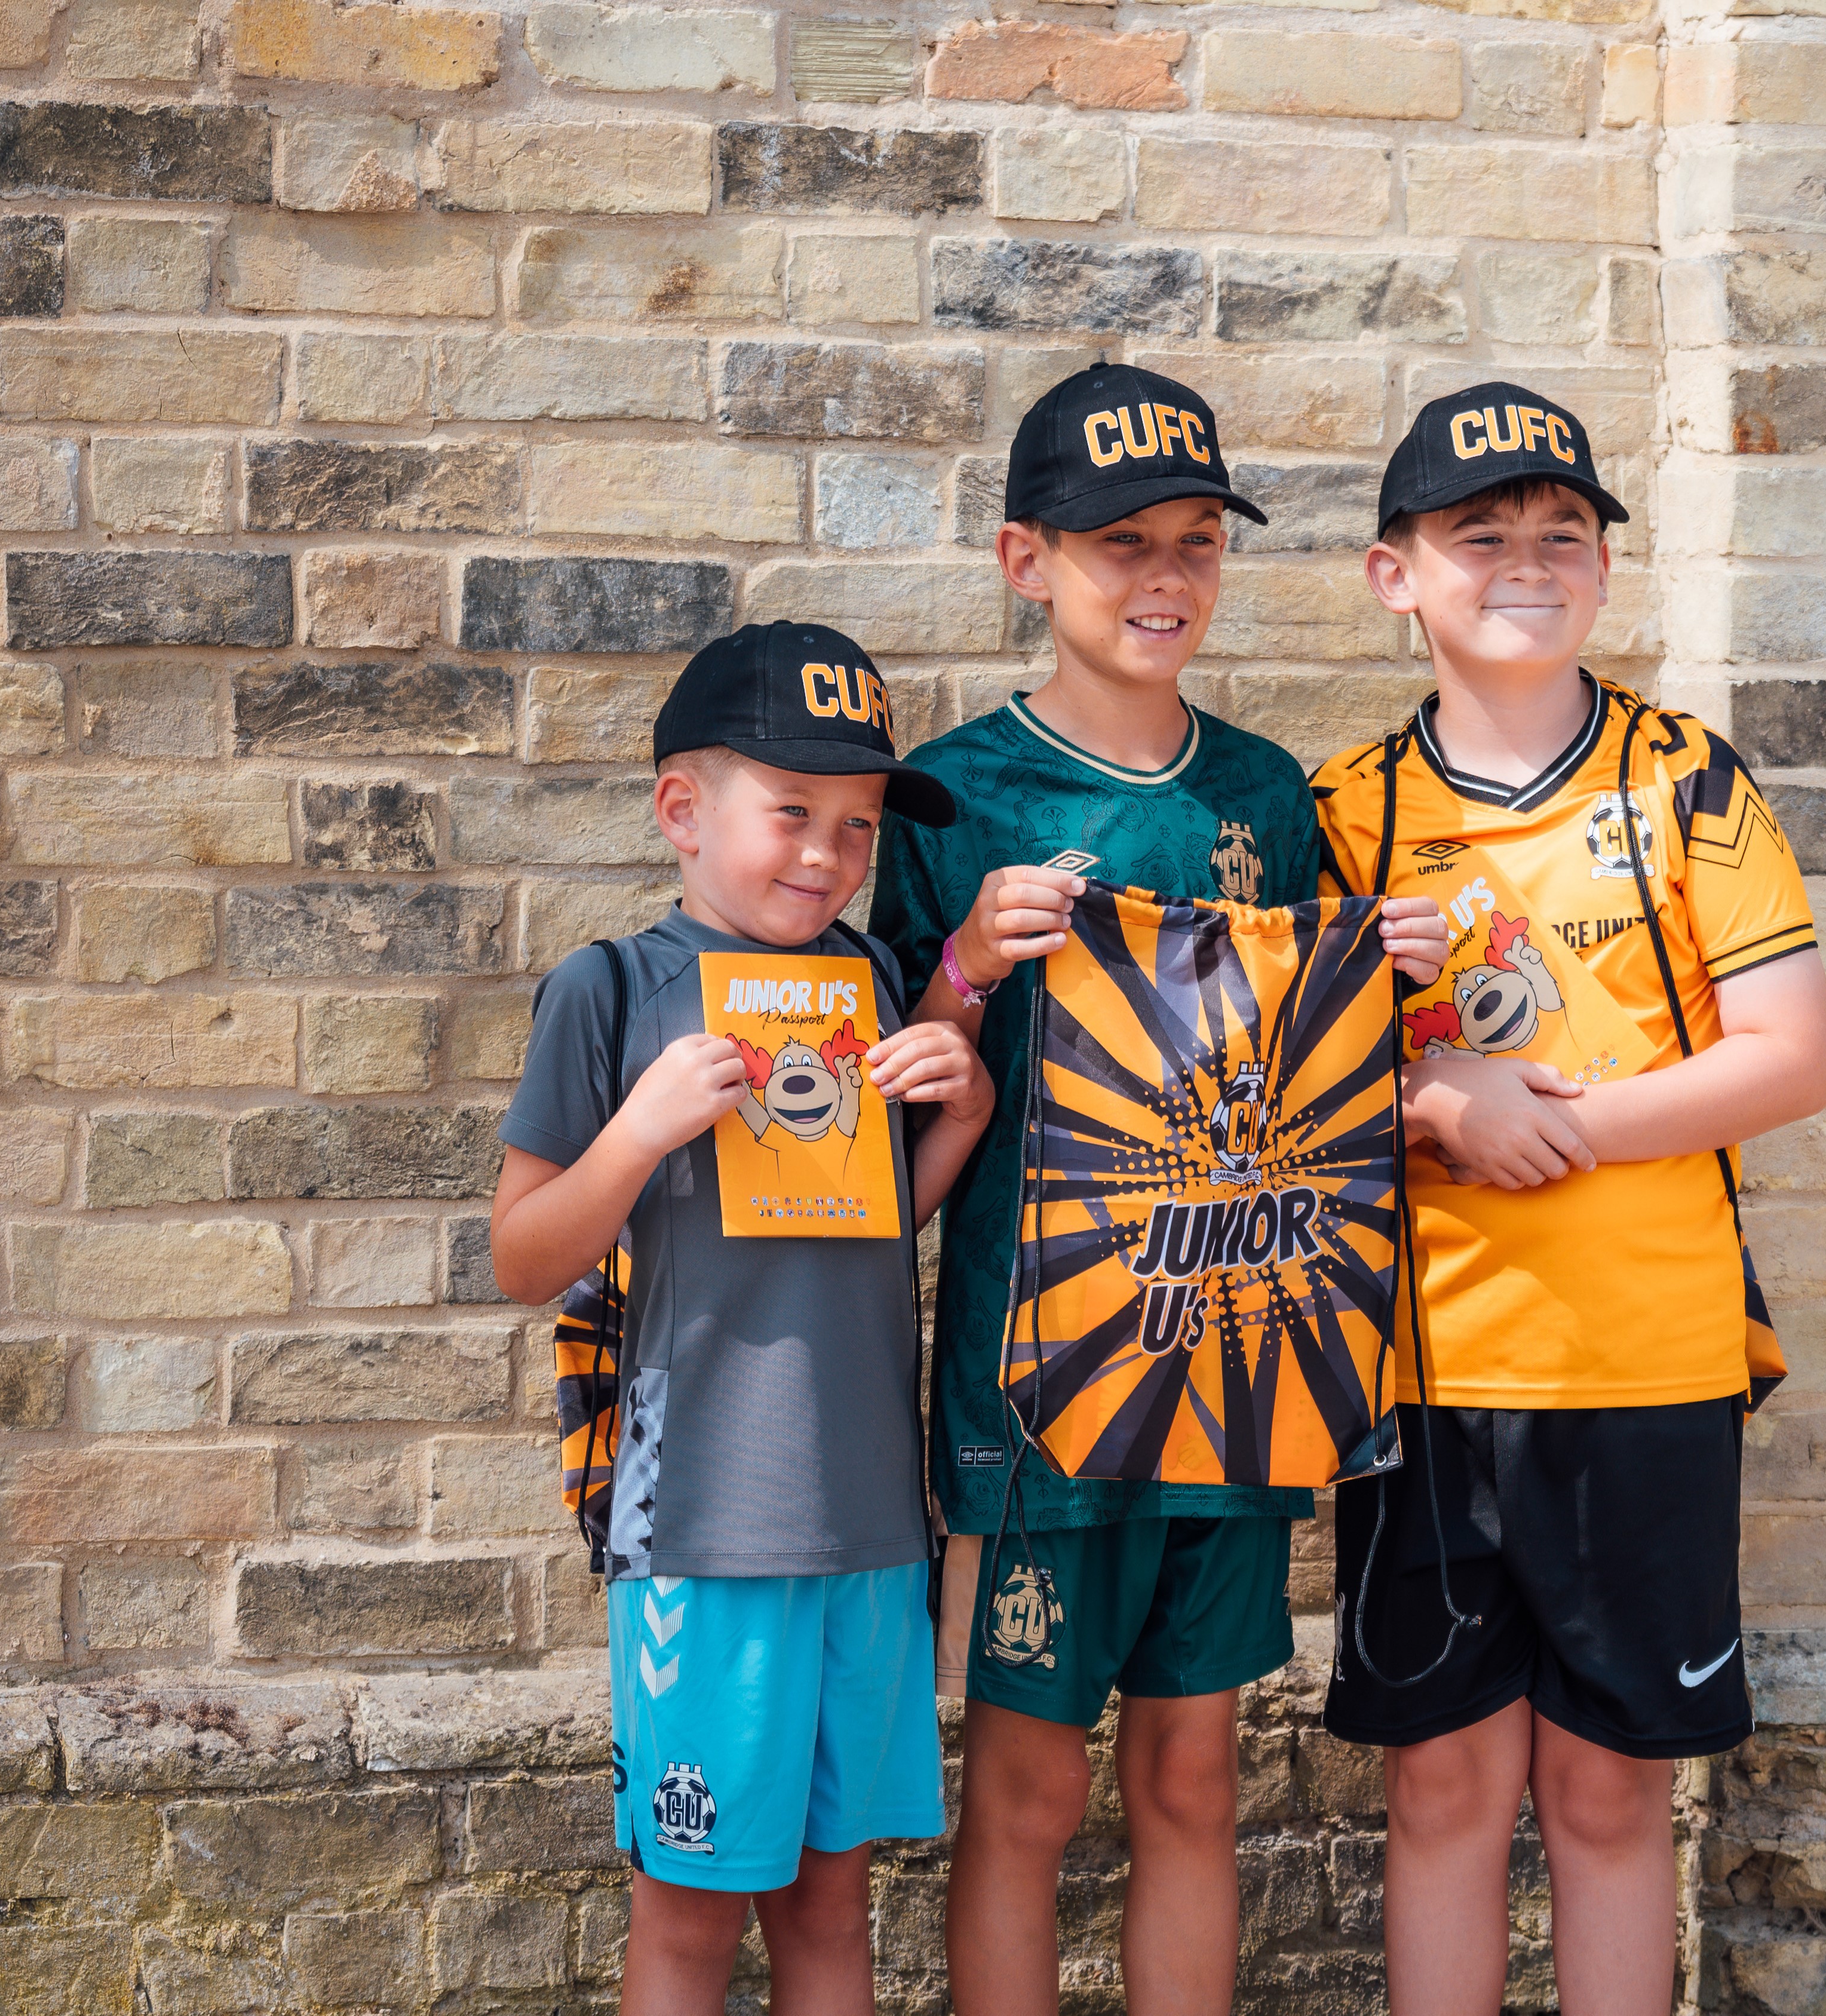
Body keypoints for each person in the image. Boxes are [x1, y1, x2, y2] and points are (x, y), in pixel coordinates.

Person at [867, 362, 1441, 2016]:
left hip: (1237, 1362)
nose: (1168, 576)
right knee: (1029, 1799)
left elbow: (1323, 1071)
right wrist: (968, 962)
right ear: (1023, 559)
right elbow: (880, 1117)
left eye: (1198, 539)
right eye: (1123, 545)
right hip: (1038, 1387)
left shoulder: (1267, 797)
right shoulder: (950, 798)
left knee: (1196, 1783)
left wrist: (1391, 977)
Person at [1308, 382, 1826, 2016]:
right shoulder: (1342, 817)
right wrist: (1431, 1097)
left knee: (1611, 1800)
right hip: (1430, 1383)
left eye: (1565, 535)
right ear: (1398, 574)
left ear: (1606, 568)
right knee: (1445, 1797)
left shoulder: (1686, 781)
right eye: (1481, 536)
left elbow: (1790, 1057)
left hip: (1647, 1372)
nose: (1528, 563)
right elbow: (1271, 1102)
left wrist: (1572, 1125)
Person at [490, 621, 993, 2016]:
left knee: (835, 1909)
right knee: (693, 1916)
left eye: (858, 824)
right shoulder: (607, 990)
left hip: (870, 1529)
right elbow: (525, 1254)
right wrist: (638, 1136)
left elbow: (880, 1224)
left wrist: (963, 1106)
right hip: (703, 1530)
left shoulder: (868, 986)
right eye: (791, 813)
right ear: (681, 811)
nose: (827, 853)